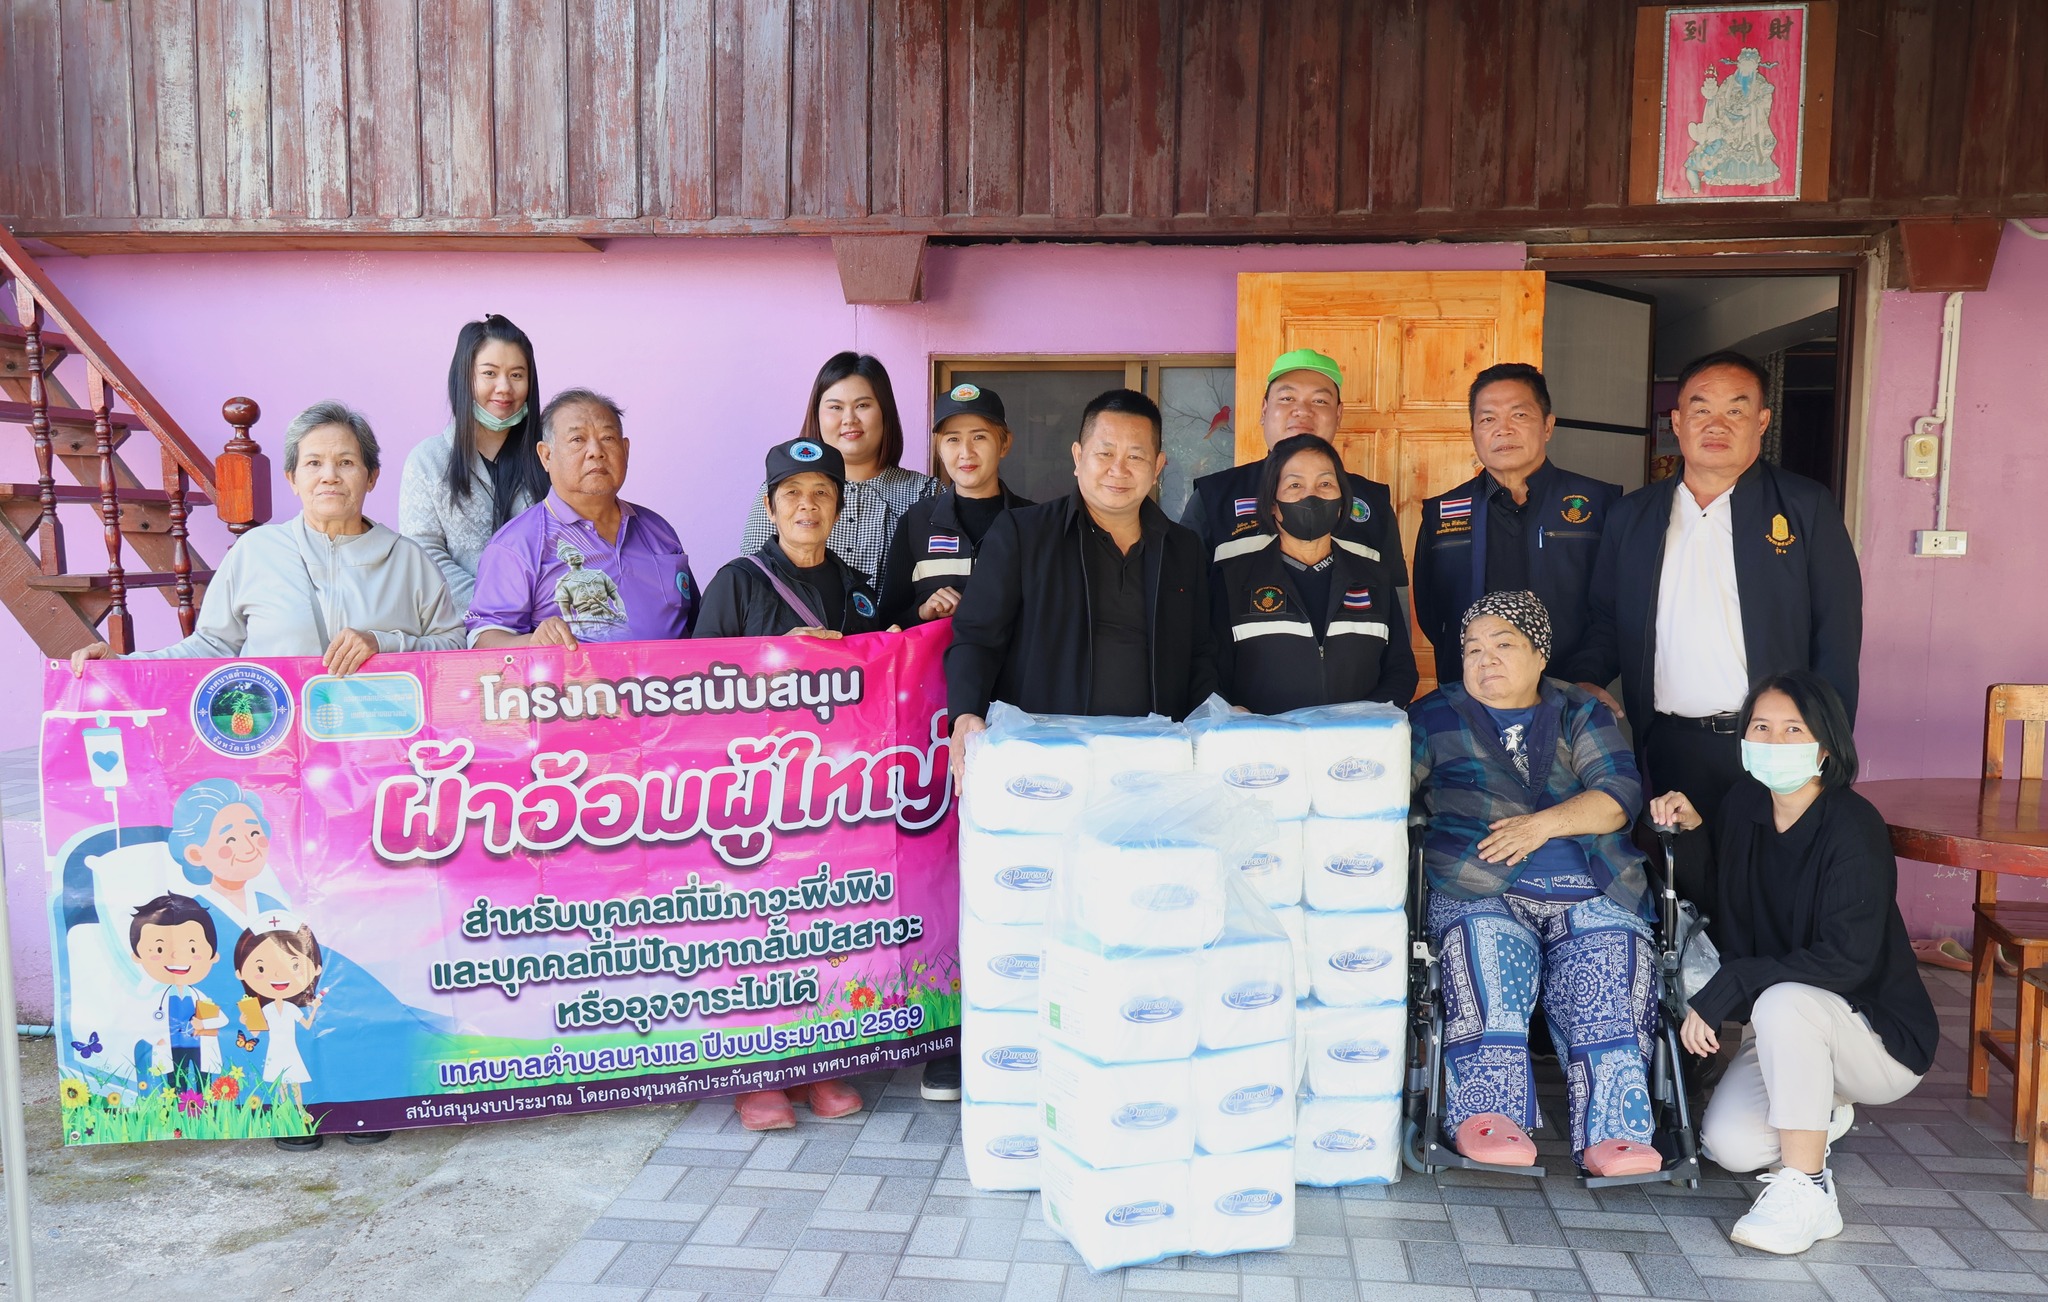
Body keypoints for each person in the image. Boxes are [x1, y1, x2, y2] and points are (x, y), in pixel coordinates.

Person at [1649, 671, 1935, 1256]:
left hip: (1873, 1038)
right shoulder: (1745, 806)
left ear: (1825, 747)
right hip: (1789, 1031)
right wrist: (1694, 830)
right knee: (1729, 1145)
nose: (1774, 742)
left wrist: (1732, 986)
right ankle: (1819, 1112)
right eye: (1761, 727)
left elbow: (1846, 960)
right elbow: (1724, 904)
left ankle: (1810, 1191)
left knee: (1783, 1000)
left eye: (1793, 730)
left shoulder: (1853, 825)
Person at [1582, 350, 1862, 902]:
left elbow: (1837, 634)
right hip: (1671, 742)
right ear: (1677, 421)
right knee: (1686, 886)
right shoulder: (1634, 516)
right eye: (1700, 409)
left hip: (1771, 745)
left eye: (1736, 410)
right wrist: (1585, 680)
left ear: (1762, 421)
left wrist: (1826, 744)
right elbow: (1607, 621)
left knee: (1773, 888)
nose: (1716, 424)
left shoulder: (1803, 507)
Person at [1409, 591, 1663, 1178]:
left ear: (1540, 654)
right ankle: (1488, 1115)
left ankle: (1617, 1132)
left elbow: (1619, 795)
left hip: (1590, 886)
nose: (1485, 660)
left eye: (1503, 645)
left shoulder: (1580, 710)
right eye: (1472, 649)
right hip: (1478, 887)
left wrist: (1541, 826)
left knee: (1608, 961)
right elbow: (1388, 795)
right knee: (1488, 959)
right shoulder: (1432, 716)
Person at [71, 401, 465, 674]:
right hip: (276, 743)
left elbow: (453, 647)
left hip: (378, 742)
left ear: (371, 477)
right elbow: (212, 647)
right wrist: (121, 666)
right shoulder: (256, 551)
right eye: (313, 463)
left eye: (346, 462)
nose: (329, 476)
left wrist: (383, 643)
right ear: (293, 479)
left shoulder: (407, 559)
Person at [947, 389, 1219, 777]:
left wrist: (1213, 726)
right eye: (1105, 453)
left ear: (1158, 465)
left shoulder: (1183, 548)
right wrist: (965, 712)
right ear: (1078, 457)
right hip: (1045, 763)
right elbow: (977, 636)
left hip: (1155, 764)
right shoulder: (1023, 534)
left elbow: (1200, 652)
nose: (1118, 469)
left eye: (1136, 456)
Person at [1412, 363, 1619, 690]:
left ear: (1547, 426)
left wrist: (1587, 679)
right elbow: (1432, 613)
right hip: (1472, 696)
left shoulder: (1599, 504)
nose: (1503, 430)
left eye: (1519, 415)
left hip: (1572, 691)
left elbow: (1615, 608)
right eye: (1488, 419)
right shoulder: (1443, 513)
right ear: (1473, 433)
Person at [468, 389, 699, 648]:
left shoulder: (658, 529)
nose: (595, 451)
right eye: (577, 439)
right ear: (546, 455)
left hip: (675, 675)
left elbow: (698, 624)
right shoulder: (516, 545)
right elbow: (483, 640)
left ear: (625, 450)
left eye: (608, 438)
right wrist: (533, 643)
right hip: (578, 676)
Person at [1212, 432, 1417, 713]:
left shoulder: (1374, 577)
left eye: (1325, 483)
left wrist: (1363, 720)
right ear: (1272, 503)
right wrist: (1236, 717)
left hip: (1356, 737)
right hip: (1263, 737)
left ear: (1342, 502)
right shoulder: (1232, 579)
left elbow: (1401, 670)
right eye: (1295, 484)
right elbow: (1209, 671)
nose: (1311, 496)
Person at [1180, 348, 1404, 579]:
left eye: (1319, 401)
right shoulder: (1214, 496)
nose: (1303, 411)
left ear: (1338, 415)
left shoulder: (1373, 502)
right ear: (1264, 410)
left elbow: (1395, 594)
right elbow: (1182, 590)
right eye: (1287, 398)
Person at [739, 352, 936, 586]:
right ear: (817, 414)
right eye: (835, 407)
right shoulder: (781, 491)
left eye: (862, 405)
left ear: (885, 412)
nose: (849, 419)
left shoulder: (925, 493)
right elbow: (751, 581)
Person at [398, 314, 549, 608]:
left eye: (517, 375)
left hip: (544, 624)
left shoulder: (548, 455)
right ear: (464, 377)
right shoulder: (427, 460)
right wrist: (493, 610)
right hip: (460, 626)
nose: (504, 387)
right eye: (489, 373)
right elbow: (423, 553)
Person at [694, 438, 886, 640]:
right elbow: (699, 659)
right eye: (792, 492)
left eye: (821, 492)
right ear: (770, 507)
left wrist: (889, 645)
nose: (808, 504)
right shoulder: (736, 582)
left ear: (838, 509)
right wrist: (778, 650)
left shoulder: (859, 591)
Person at [877, 381, 1031, 629]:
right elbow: (887, 622)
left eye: (979, 437)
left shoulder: (1034, 522)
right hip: (936, 656)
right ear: (938, 448)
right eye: (953, 439)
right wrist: (922, 613)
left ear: (1004, 443)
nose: (966, 452)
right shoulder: (915, 523)